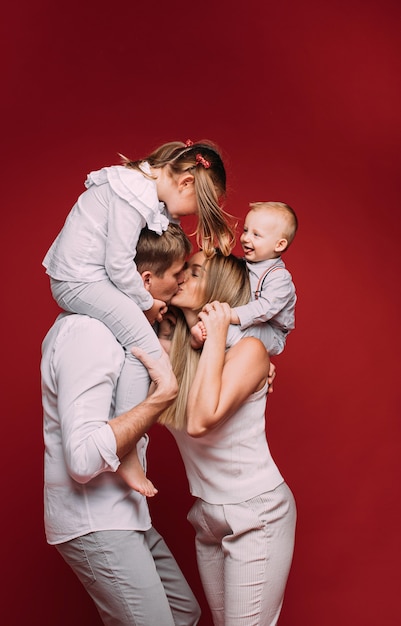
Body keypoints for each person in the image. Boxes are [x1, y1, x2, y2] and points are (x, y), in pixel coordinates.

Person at [42, 139, 235, 476]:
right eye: (190, 207)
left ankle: (125, 443)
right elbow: (119, 265)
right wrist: (147, 304)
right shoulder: (130, 191)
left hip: (89, 279)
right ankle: (126, 449)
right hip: (80, 281)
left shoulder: (139, 188)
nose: (181, 216)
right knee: (146, 350)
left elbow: (154, 243)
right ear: (186, 182)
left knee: (142, 347)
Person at [41, 225, 200, 626]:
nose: (180, 283)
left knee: (184, 613)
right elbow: (81, 458)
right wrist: (159, 399)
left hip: (126, 515)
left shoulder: (122, 336)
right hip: (95, 516)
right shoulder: (88, 334)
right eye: (176, 275)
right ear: (145, 281)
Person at [158, 250, 296, 626]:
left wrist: (218, 331)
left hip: (256, 512)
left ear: (219, 291)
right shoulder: (176, 352)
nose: (182, 276)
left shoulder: (249, 351)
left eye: (195, 272)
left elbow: (201, 420)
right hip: (206, 515)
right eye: (184, 268)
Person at [190, 201, 297, 357]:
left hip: (271, 332)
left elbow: (265, 308)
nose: (246, 238)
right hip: (249, 322)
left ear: (279, 245)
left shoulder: (279, 277)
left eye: (256, 235)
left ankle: (201, 338)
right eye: (246, 230)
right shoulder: (246, 264)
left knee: (229, 330)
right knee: (225, 327)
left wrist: (230, 315)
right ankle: (205, 337)